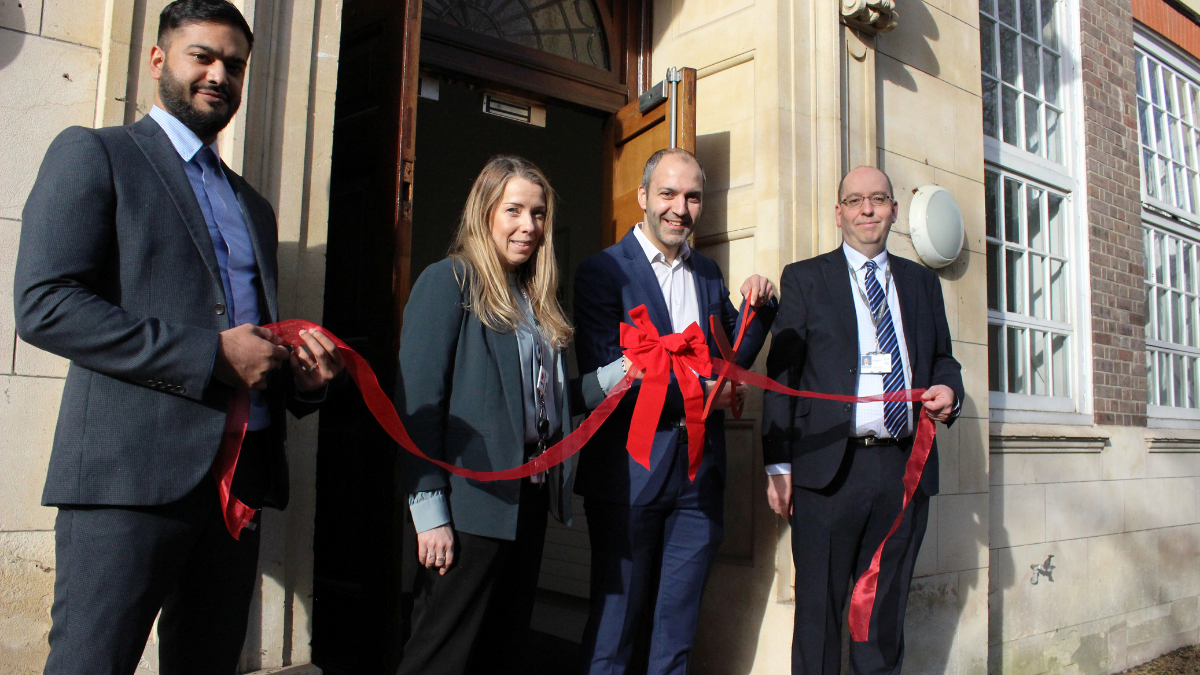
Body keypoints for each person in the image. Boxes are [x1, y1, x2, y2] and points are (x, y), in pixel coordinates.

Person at [13, 1, 345, 673]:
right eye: (204, 56)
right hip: (127, 481)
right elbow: (44, 305)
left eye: (235, 64)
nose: (220, 74)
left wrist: (302, 384)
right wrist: (210, 355)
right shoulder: (97, 153)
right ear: (159, 59)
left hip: (236, 487)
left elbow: (253, 348)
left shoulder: (253, 205)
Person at [572, 148, 777, 674]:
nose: (679, 208)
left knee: (678, 633)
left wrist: (761, 305)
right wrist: (710, 389)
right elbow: (609, 374)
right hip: (628, 474)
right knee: (615, 632)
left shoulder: (708, 273)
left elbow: (735, 357)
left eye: (691, 196)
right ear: (643, 197)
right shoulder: (602, 273)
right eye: (667, 193)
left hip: (699, 477)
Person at [761, 166, 964, 675]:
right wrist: (777, 466)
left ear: (894, 209)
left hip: (901, 472)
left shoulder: (921, 282)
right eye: (855, 201)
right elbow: (781, 375)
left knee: (883, 612)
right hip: (828, 471)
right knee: (819, 615)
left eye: (878, 199)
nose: (867, 209)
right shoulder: (805, 278)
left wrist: (950, 391)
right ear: (838, 213)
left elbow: (943, 358)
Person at [393, 156, 576, 675]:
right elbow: (418, 406)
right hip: (466, 511)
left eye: (538, 214)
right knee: (440, 658)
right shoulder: (449, 280)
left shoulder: (534, 300)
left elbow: (547, 405)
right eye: (514, 209)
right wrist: (430, 513)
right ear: (485, 212)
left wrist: (619, 376)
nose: (529, 226)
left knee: (501, 652)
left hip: (526, 506)